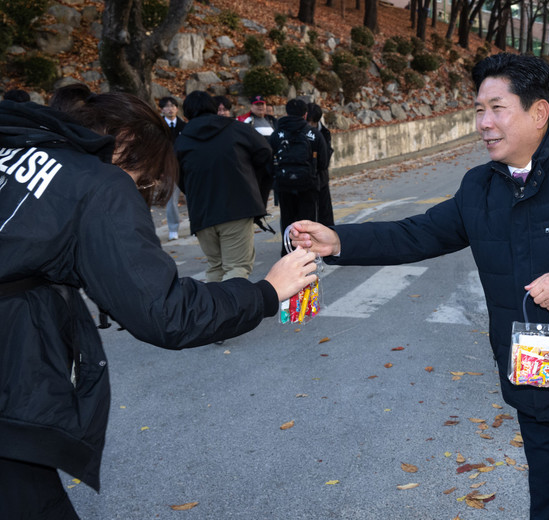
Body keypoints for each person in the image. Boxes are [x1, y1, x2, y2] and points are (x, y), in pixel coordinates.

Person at [291, 53, 549, 519]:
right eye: (478, 110)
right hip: (534, 381)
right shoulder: (479, 187)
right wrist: (338, 240)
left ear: (539, 112)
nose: (483, 123)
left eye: (496, 108)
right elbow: (416, 233)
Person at [0, 90, 317, 519]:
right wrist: (266, 292)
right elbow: (165, 310)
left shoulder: (16, 144)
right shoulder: (96, 183)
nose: (142, 191)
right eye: (146, 181)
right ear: (127, 143)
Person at [175, 91, 273, 282]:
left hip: (202, 213)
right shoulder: (236, 128)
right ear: (214, 107)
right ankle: (234, 302)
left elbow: (178, 176)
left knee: (216, 266)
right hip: (236, 207)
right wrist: (248, 175)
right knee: (237, 267)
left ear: (186, 113)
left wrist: (195, 192)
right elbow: (265, 152)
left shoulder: (181, 140)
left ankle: (215, 302)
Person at [269, 98, 328, 256]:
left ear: (287, 113)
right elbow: (323, 163)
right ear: (305, 114)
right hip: (308, 184)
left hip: (284, 185)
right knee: (307, 222)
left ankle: (288, 252)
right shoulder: (313, 134)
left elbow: (269, 160)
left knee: (287, 220)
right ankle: (306, 253)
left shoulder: (277, 134)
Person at [158, 96, 187, 241]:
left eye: (173, 106)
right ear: (162, 109)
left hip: (185, 166)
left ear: (177, 108)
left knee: (192, 197)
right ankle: (173, 228)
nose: (170, 109)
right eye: (167, 106)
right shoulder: (158, 128)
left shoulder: (184, 127)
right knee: (171, 200)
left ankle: (197, 224)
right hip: (168, 167)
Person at [307, 102, 334, 226]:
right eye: (308, 121)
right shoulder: (301, 132)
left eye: (312, 122)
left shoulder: (324, 133)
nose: (310, 125)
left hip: (321, 178)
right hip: (306, 179)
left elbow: (325, 159)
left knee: (324, 212)